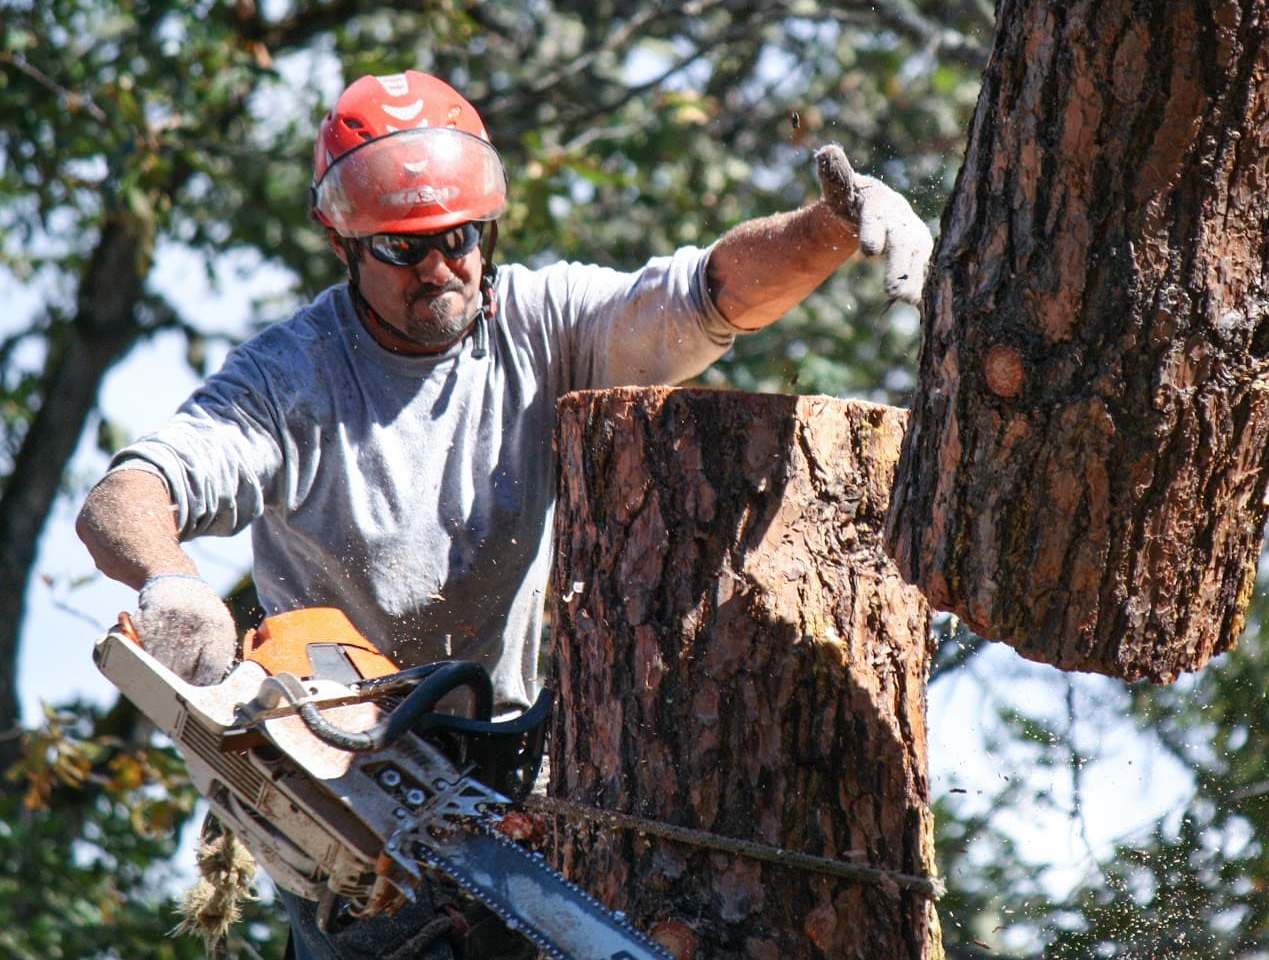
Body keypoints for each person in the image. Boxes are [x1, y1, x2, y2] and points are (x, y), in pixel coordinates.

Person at [74, 69, 932, 958]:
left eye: (459, 238)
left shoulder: (539, 324)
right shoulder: (294, 378)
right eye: (406, 250)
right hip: (345, 793)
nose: (441, 269)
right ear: (345, 244)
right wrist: (171, 581)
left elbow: (708, 295)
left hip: (508, 777)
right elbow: (127, 494)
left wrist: (828, 229)